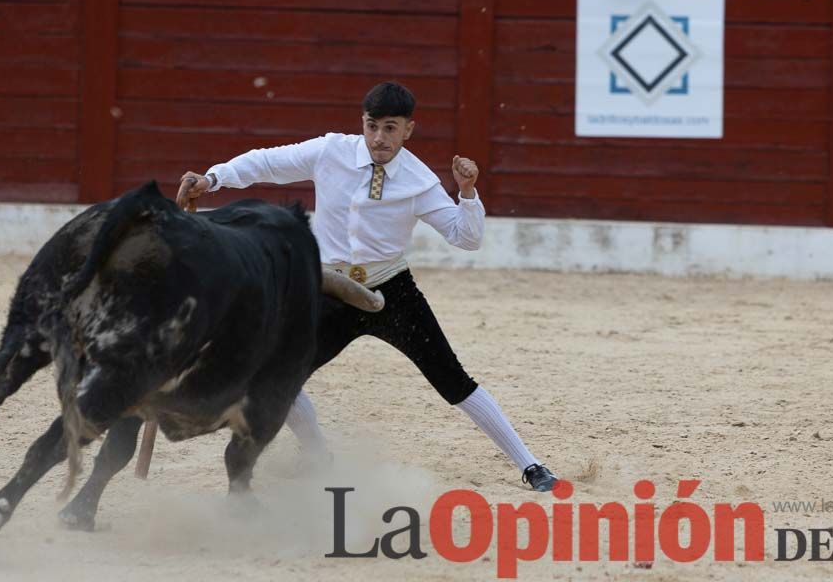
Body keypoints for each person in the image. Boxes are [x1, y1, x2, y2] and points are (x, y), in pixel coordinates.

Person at [176, 81, 560, 493]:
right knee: (275, 378)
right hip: (328, 289)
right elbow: (267, 163)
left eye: (390, 128)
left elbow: (465, 237)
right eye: (372, 126)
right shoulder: (331, 151)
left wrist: (467, 193)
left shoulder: (419, 179)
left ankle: (531, 464)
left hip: (391, 290)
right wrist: (213, 179)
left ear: (408, 130)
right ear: (362, 123)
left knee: (452, 379)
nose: (379, 138)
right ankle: (319, 455)